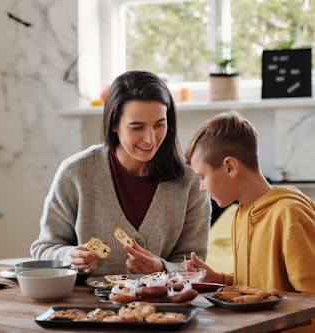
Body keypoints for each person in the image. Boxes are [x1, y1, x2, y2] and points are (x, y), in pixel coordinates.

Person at [30, 71, 210, 275]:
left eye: (159, 125)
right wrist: (70, 256)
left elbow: (194, 264)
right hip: (85, 305)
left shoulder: (190, 182)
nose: (150, 139)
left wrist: (162, 268)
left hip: (163, 304)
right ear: (114, 123)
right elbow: (44, 249)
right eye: (137, 127)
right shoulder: (76, 173)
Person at [184, 110, 315, 292]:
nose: (202, 187)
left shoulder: (289, 214)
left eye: (203, 176)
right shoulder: (240, 214)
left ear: (230, 167)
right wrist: (219, 279)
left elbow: (310, 299)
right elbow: (251, 286)